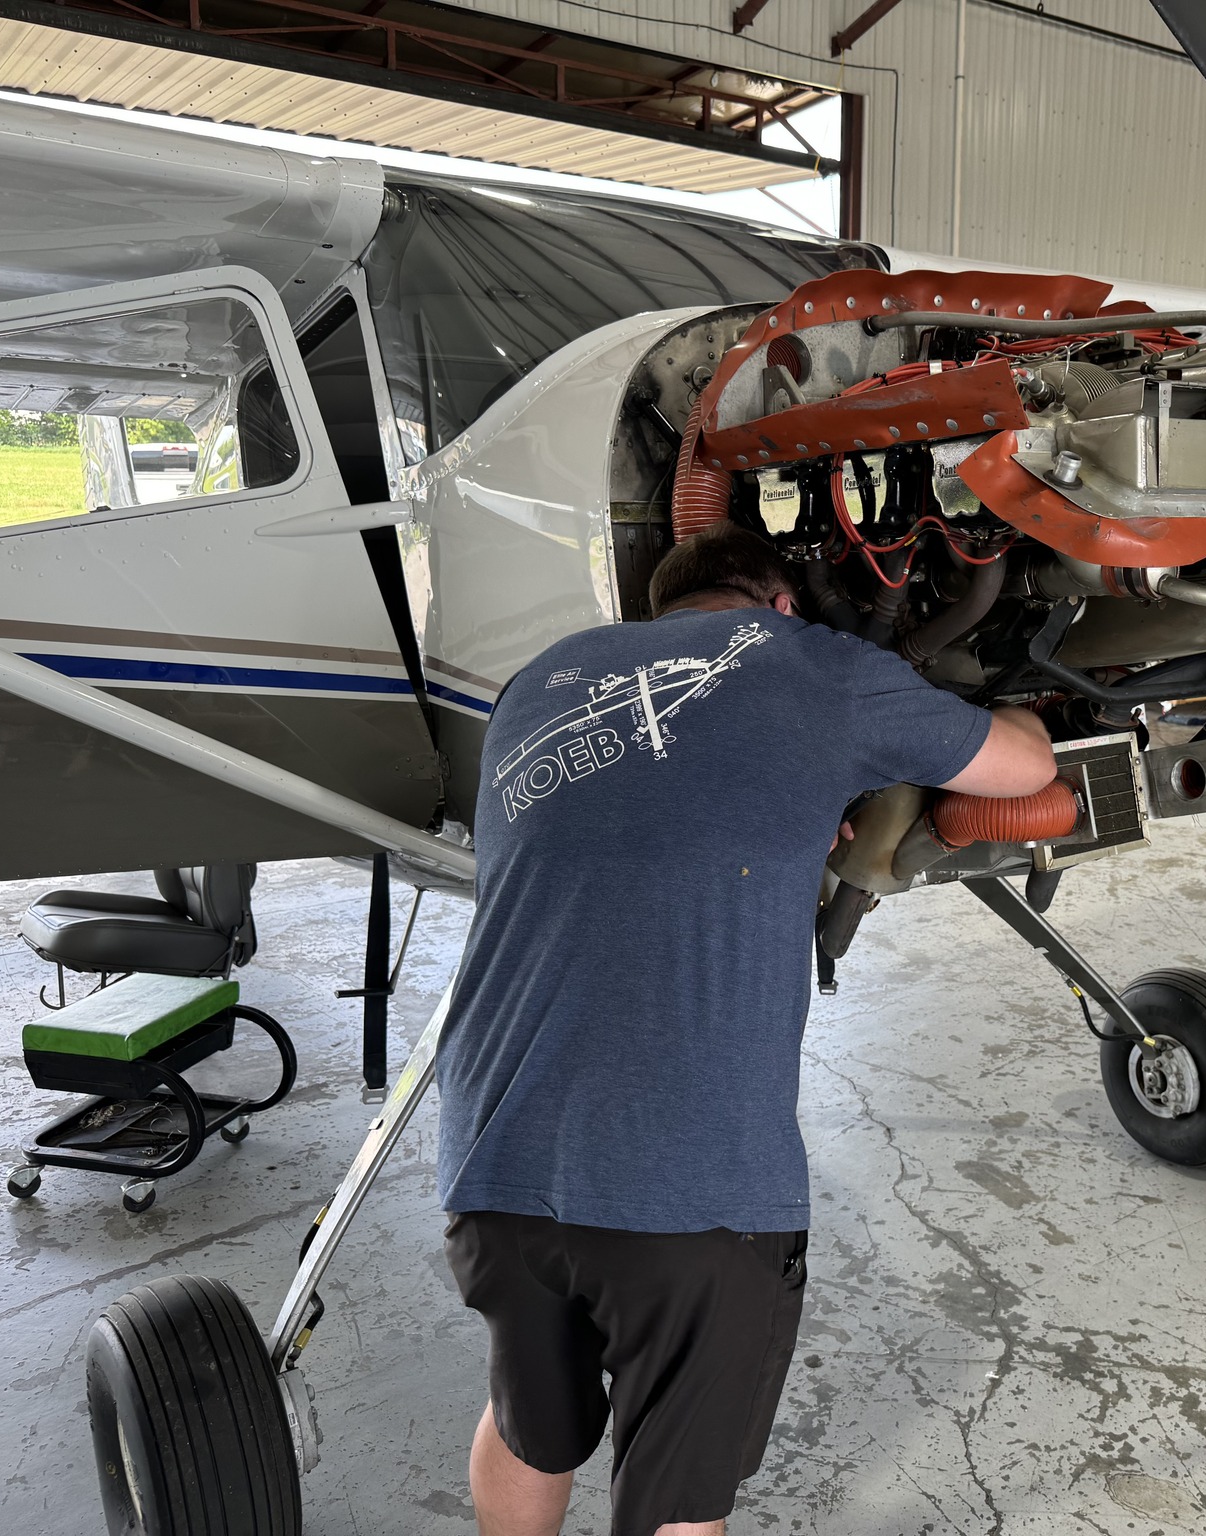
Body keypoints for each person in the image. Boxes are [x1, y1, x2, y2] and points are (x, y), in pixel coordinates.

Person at [436, 522, 1057, 1536]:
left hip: (490, 1170)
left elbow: (640, 817)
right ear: (779, 607)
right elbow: (1018, 770)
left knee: (528, 1424)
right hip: (688, 1194)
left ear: (659, 610)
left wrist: (795, 808)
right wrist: (1029, 705)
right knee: (677, 1503)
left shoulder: (539, 682)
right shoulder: (808, 663)